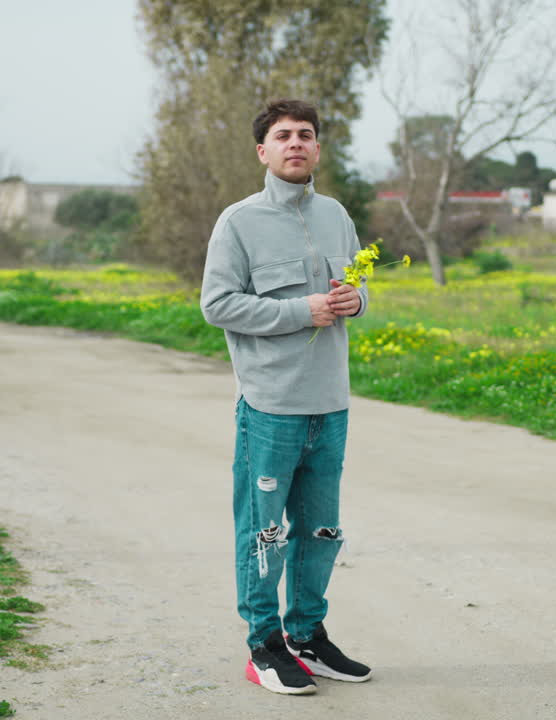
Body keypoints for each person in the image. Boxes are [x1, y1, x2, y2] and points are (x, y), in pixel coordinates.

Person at [200, 98, 373, 696]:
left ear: (317, 148)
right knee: (265, 534)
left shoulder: (336, 215)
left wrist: (357, 300)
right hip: (271, 406)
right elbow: (217, 304)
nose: (295, 143)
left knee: (322, 532)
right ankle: (264, 646)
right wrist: (302, 310)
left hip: (331, 403)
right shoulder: (238, 222)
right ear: (263, 151)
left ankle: (307, 636)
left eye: (305, 134)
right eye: (282, 135)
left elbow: (359, 284)